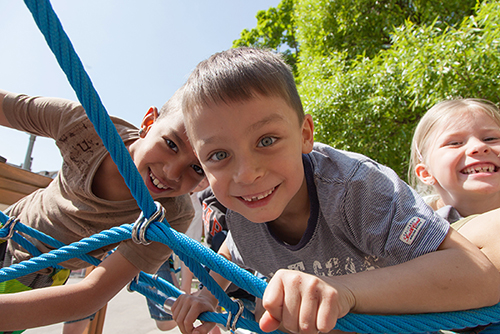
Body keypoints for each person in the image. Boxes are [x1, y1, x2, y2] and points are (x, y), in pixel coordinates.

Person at [170, 47, 500, 334]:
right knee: (270, 311)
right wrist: (207, 294)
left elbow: (480, 276)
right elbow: (233, 250)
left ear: (305, 134)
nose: (247, 173)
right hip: (338, 322)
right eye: (219, 156)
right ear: (201, 162)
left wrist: (344, 291)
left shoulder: (355, 190)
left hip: (403, 317)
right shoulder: (241, 212)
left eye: (267, 141)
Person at [0, 86, 206, 332]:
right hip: (9, 222)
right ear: (149, 122)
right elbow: (9, 105)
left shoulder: (171, 213)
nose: (172, 173)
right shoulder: (86, 127)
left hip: (35, 271)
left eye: (198, 168)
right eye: (171, 144)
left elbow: (91, 295)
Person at [410, 98, 500, 272]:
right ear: (426, 173)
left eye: (491, 138)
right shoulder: (416, 233)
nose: (479, 147)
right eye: (455, 143)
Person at [146, 182, 208, 332]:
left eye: (204, 174)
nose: (202, 181)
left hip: (160, 252)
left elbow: (189, 249)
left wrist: (184, 289)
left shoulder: (194, 206)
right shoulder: (165, 186)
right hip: (144, 238)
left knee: (166, 321)